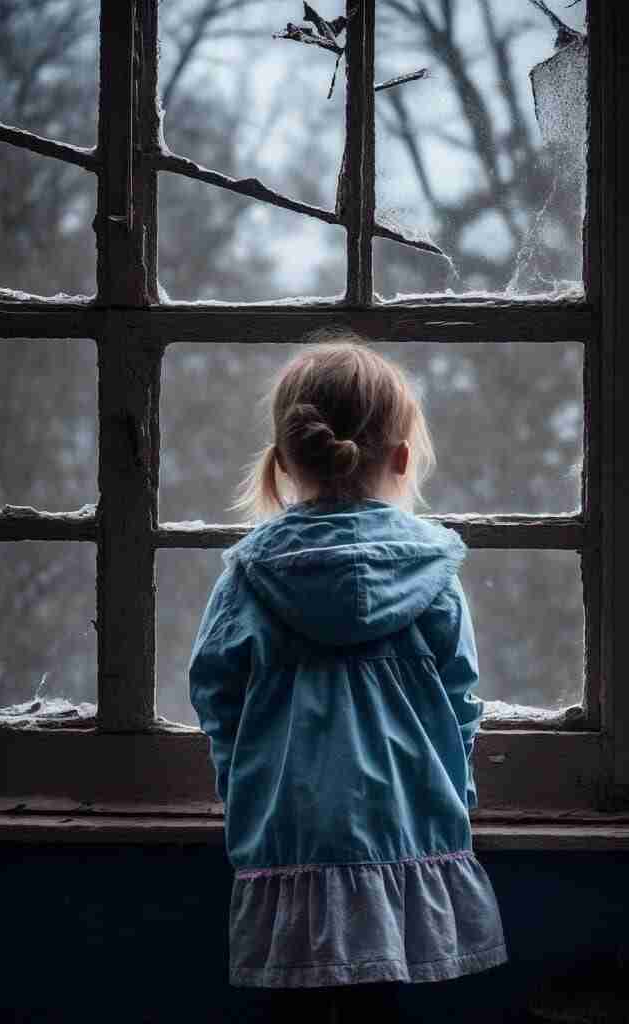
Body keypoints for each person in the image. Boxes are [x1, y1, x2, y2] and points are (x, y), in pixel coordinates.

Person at [187, 332, 508, 1020]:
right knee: (378, 1005)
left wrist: (236, 780)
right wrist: (458, 787)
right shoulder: (432, 574)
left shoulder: (249, 573)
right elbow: (461, 698)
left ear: (283, 462)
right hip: (402, 822)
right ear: (399, 457)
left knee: (292, 1004)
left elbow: (215, 691)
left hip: (291, 824)